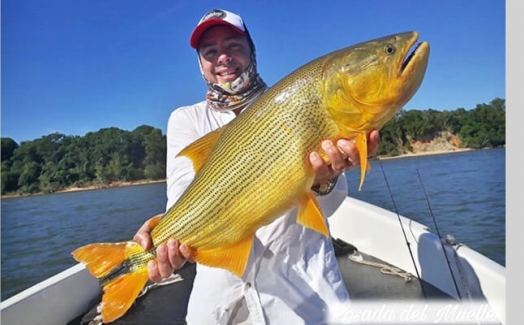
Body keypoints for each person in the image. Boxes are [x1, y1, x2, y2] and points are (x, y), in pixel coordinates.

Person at [133, 8, 380, 325]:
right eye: (211, 52)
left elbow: (331, 204)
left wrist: (323, 182)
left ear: (252, 51)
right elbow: (182, 190)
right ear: (201, 64)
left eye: (234, 46)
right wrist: (165, 227)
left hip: (306, 298)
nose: (223, 57)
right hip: (219, 302)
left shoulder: (298, 101)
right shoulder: (186, 119)